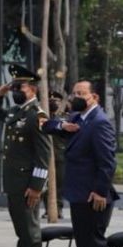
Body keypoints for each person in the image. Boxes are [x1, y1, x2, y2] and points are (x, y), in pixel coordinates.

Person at [42, 80, 119, 247]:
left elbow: (107, 162)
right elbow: (46, 125)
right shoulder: (77, 119)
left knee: (93, 242)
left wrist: (100, 191)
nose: (76, 96)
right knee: (83, 241)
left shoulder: (98, 122)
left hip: (93, 194)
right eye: (74, 92)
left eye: (82, 93)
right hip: (79, 192)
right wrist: (62, 126)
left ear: (94, 97)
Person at [0, 65, 51, 247]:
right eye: (13, 86)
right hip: (15, 184)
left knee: (30, 232)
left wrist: (36, 187)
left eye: (19, 86)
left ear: (32, 89)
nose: (15, 90)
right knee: (22, 232)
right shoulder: (17, 113)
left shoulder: (37, 116)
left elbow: (44, 157)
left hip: (27, 186)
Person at [42, 90, 67, 220]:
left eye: (56, 101)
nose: (53, 103)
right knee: (44, 184)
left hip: (60, 157)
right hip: (43, 157)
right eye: (50, 101)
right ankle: (48, 209)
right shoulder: (41, 117)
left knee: (59, 185)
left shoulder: (65, 118)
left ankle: (59, 208)